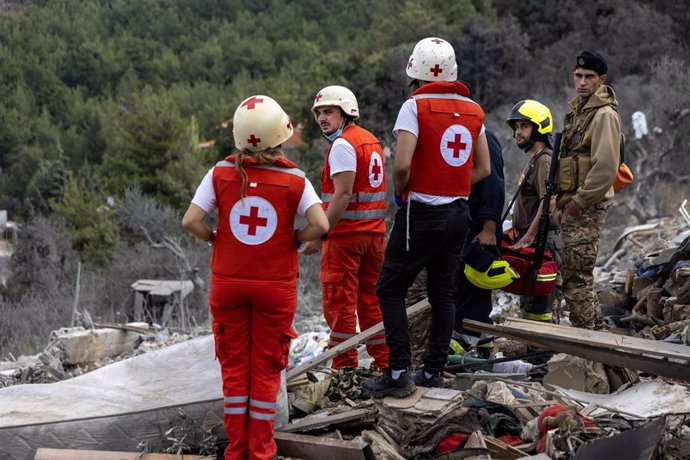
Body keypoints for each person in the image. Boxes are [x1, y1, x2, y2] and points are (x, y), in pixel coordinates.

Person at [181, 95, 329, 459]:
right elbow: (321, 224)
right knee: (265, 370)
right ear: (279, 136)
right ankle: (261, 452)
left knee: (234, 370)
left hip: (228, 284)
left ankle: (236, 451)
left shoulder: (219, 173)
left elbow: (190, 221)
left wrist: (215, 238)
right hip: (275, 287)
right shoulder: (295, 180)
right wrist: (295, 239)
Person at [362, 37, 491, 397]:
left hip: (421, 211)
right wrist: (451, 184)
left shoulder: (414, 107)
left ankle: (398, 372)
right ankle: (433, 373)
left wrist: (402, 192)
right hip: (458, 212)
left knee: (389, 289)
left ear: (414, 72)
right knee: (443, 293)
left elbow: (402, 164)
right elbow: (484, 168)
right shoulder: (474, 110)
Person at [300, 85, 389, 371]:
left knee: (339, 305)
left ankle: (344, 366)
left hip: (345, 239)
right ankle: (385, 363)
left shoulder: (342, 145)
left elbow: (342, 195)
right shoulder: (371, 140)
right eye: (319, 113)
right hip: (374, 237)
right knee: (372, 303)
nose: (322, 118)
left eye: (329, 111)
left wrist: (320, 234)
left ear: (347, 112)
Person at [556, 51, 621, 331]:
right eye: (578, 76)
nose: (582, 82)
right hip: (574, 202)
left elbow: (606, 167)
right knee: (577, 274)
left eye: (589, 77)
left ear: (601, 80)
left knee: (574, 275)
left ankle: (588, 341)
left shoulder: (604, 115)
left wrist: (579, 202)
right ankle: (595, 333)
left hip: (587, 206)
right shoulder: (580, 111)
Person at [506, 99, 562, 322]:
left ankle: (540, 355)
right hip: (532, 239)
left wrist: (529, 236)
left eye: (524, 126)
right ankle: (532, 352)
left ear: (539, 129)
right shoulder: (534, 159)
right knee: (529, 302)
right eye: (517, 127)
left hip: (542, 242)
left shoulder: (544, 162)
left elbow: (548, 201)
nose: (518, 132)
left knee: (539, 307)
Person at [454, 128, 505, 352]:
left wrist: (489, 225)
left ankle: (472, 347)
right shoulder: (456, 134)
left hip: (479, 229)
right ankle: (471, 344)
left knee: (474, 290)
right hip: (460, 226)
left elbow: (494, 183)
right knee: (459, 288)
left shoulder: (482, 137)